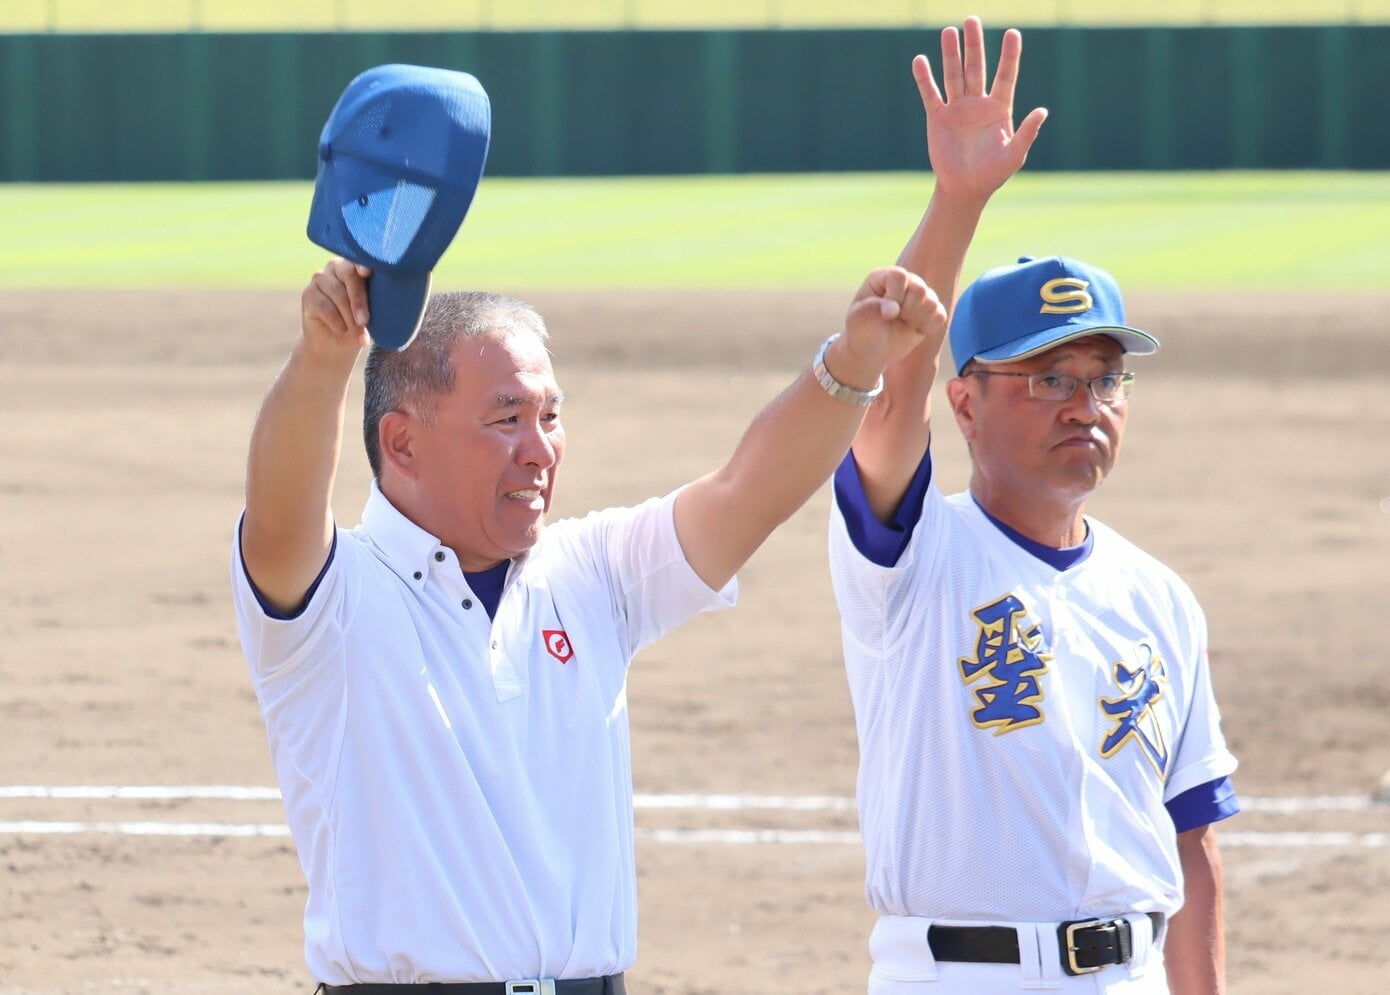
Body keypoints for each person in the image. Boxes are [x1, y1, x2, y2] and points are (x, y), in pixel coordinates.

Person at [230, 243, 946, 984]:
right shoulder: (334, 598)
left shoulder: (589, 572)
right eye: (508, 418)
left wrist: (852, 364)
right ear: (403, 442)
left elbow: (746, 492)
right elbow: (279, 516)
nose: (540, 450)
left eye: (550, 416)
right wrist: (324, 359)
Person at [827, 18, 1239, 995]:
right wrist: (958, 200)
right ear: (965, 402)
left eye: (1104, 377)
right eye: (1048, 378)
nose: (1085, 404)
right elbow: (889, 389)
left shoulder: (1159, 596)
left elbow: (1192, 841)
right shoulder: (912, 558)